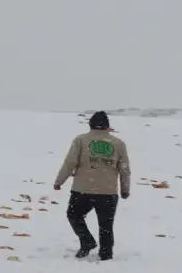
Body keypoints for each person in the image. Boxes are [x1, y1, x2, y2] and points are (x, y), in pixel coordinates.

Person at [53, 111, 131, 261]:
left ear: (90, 124)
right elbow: (125, 169)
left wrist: (59, 181)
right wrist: (125, 189)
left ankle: (87, 241)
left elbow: (70, 163)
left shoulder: (81, 140)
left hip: (82, 190)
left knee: (74, 215)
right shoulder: (118, 144)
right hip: (108, 191)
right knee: (106, 225)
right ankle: (106, 254)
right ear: (108, 126)